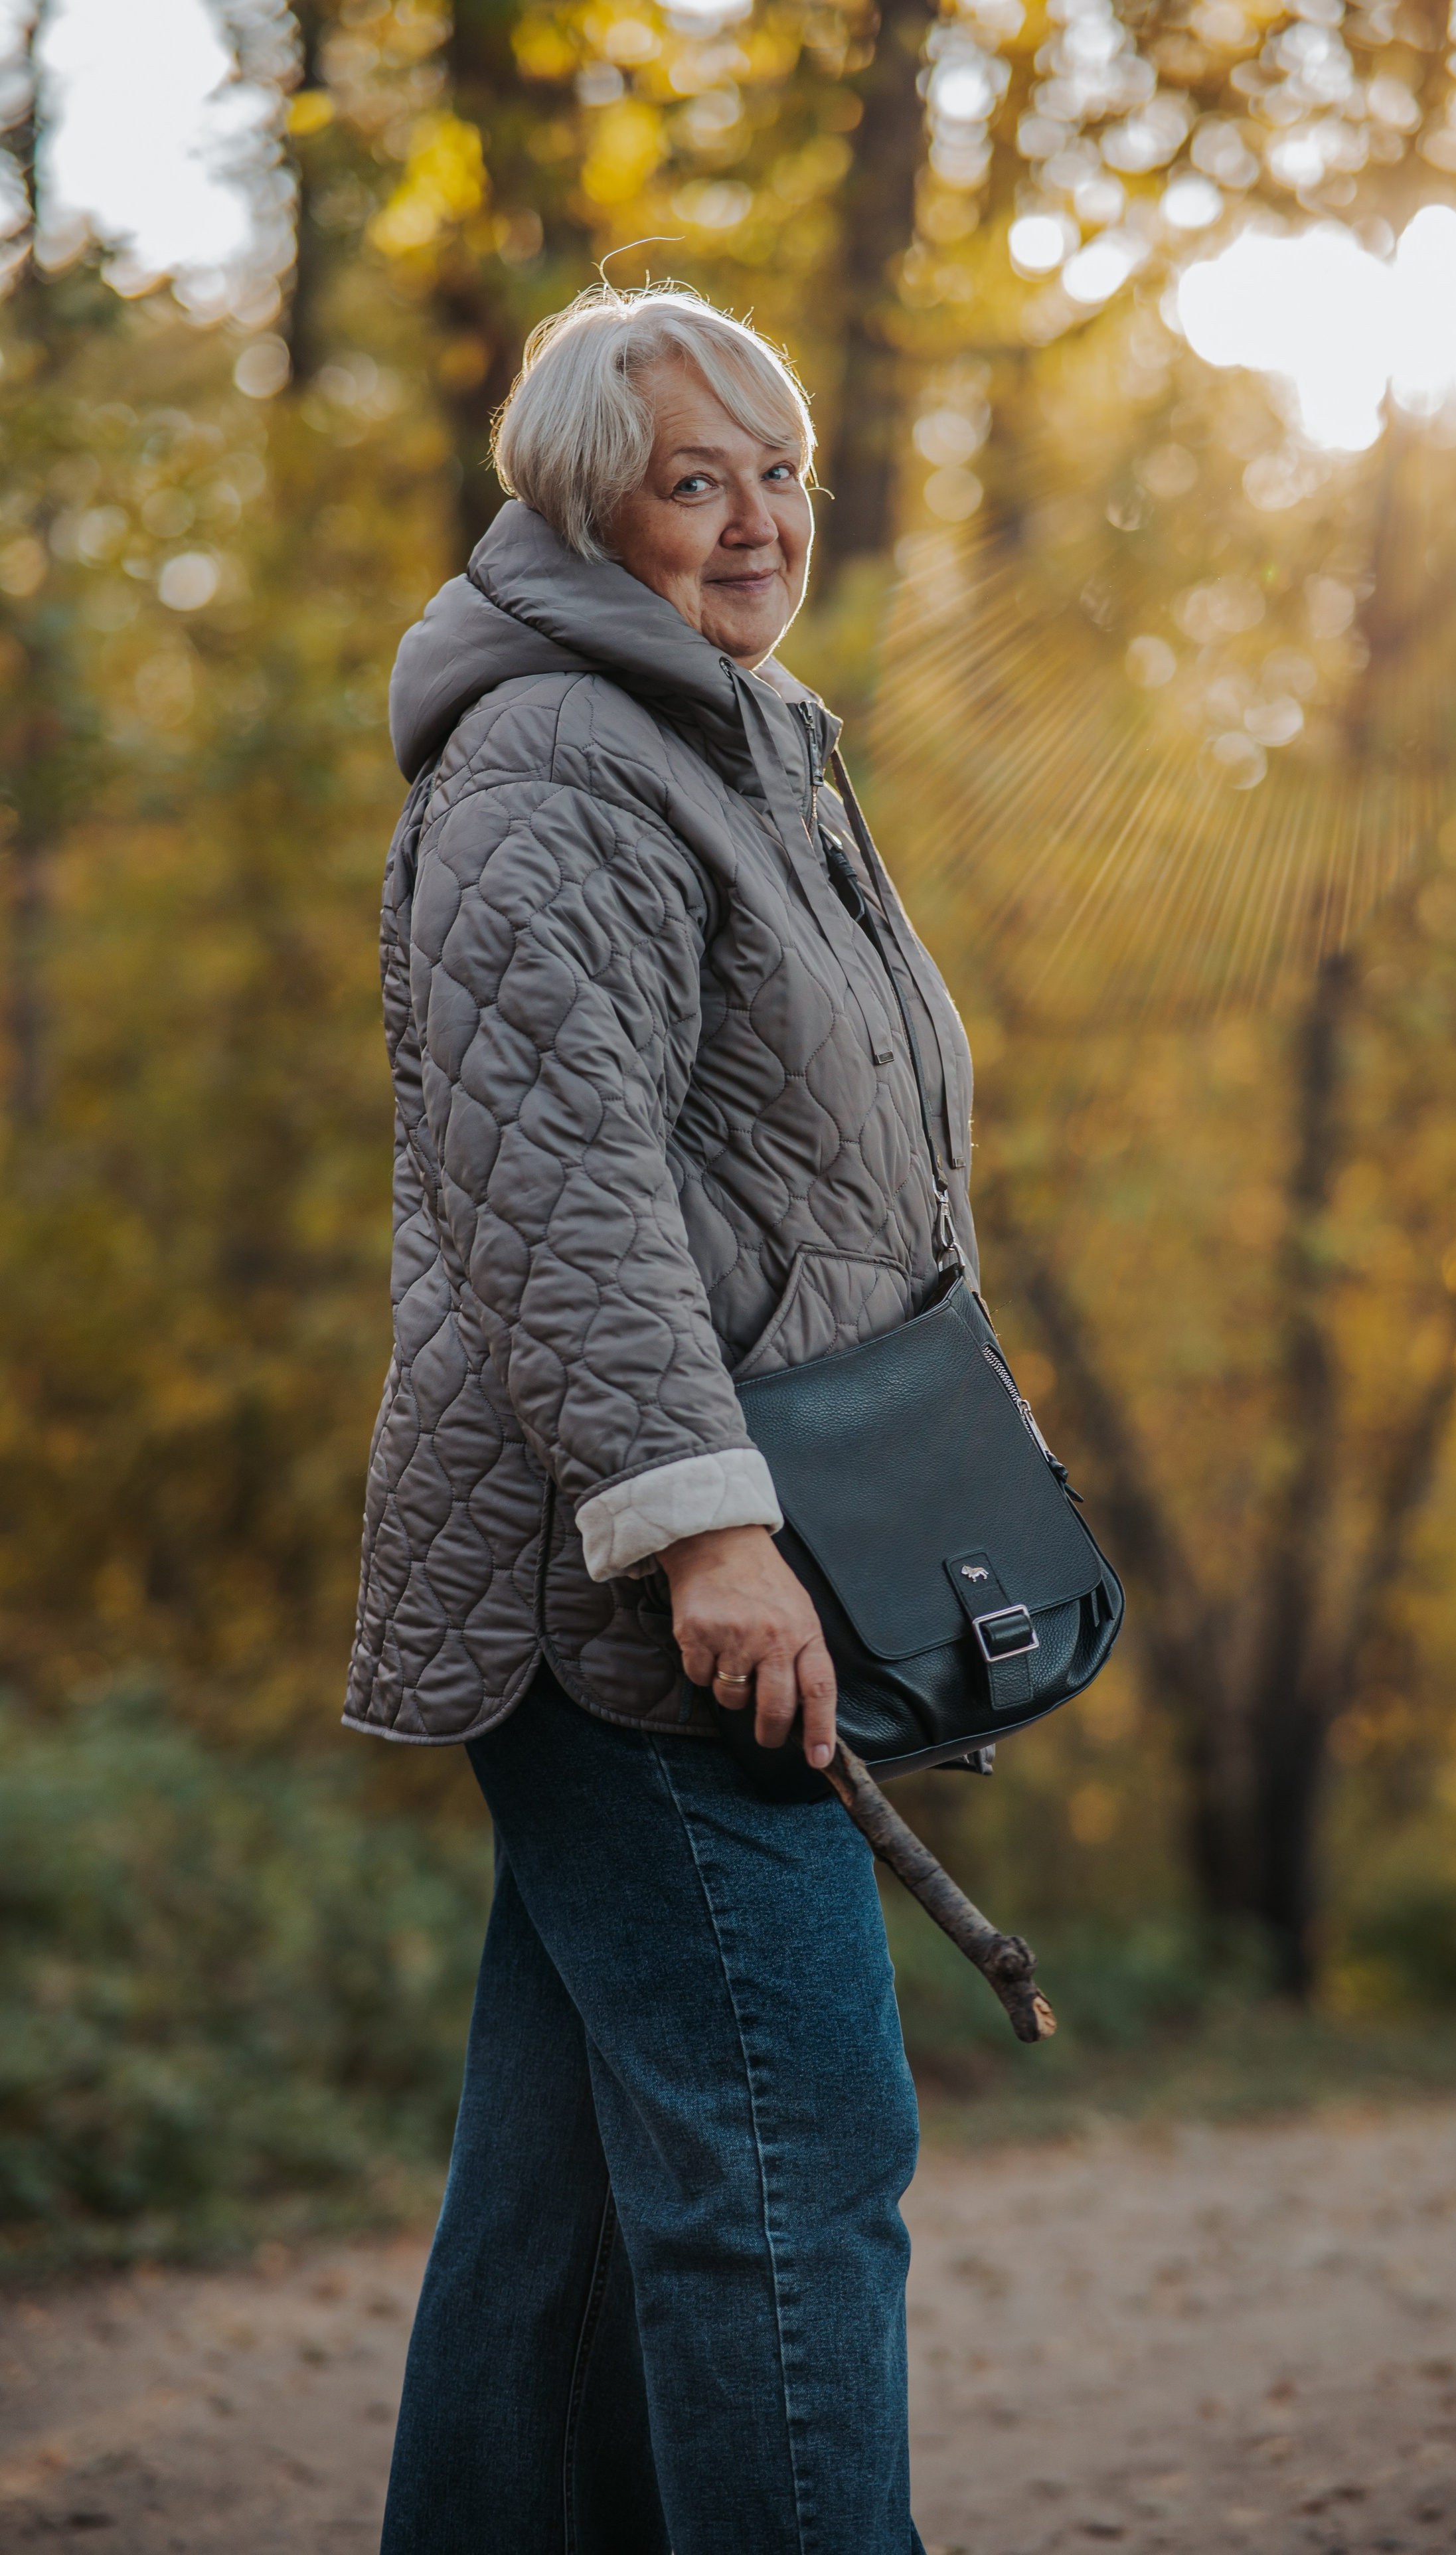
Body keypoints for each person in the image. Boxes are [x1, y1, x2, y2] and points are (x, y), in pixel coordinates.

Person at [344, 284, 977, 2554]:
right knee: (800, 2162)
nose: (755, 523)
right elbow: (558, 1180)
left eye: (777, 473)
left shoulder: (742, 744)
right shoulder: (551, 766)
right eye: (694, 480)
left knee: (565, 2217)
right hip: (629, 1587)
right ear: (580, 503)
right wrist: (708, 1534)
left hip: (728, 1546)